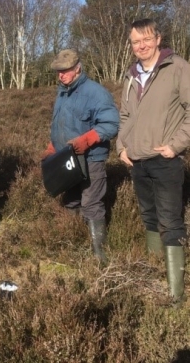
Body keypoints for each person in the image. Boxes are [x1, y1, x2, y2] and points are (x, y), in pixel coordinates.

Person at [117, 18, 190, 306]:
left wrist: (176, 146)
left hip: (165, 160)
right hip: (137, 161)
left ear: (158, 39)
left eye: (146, 39)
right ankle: (153, 272)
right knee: (149, 216)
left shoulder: (178, 68)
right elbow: (125, 115)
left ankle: (175, 293)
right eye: (136, 41)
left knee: (171, 221)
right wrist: (121, 146)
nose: (141, 45)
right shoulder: (131, 74)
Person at [41, 49, 119, 262]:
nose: (60, 75)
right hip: (67, 159)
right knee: (71, 201)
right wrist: (52, 145)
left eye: (65, 71)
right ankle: (72, 246)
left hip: (91, 159)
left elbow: (111, 125)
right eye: (58, 71)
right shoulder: (62, 92)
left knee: (91, 204)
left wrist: (86, 141)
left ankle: (99, 255)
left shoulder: (96, 93)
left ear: (77, 68)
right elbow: (61, 124)